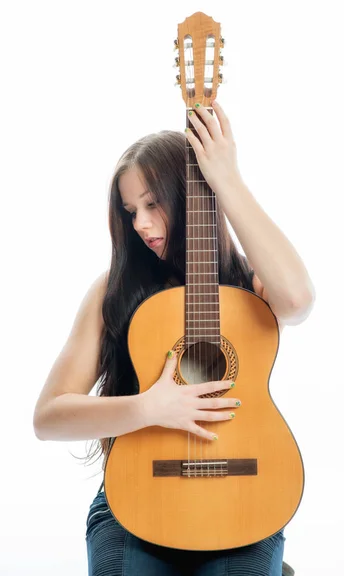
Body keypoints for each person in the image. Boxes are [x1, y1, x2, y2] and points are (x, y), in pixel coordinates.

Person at [33, 100, 315, 575]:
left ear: (187, 194)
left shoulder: (250, 285)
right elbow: (48, 418)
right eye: (130, 211)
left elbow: (299, 301)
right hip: (135, 498)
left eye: (152, 203)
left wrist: (225, 178)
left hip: (247, 492)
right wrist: (149, 408)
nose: (140, 224)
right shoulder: (112, 292)